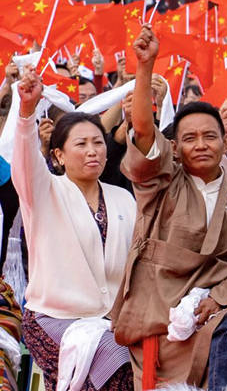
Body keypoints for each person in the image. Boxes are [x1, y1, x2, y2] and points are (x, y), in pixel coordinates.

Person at [110, 25, 227, 390]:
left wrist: (216, 299)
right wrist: (145, 67)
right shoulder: (162, 181)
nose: (201, 144)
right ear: (173, 147)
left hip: (215, 319)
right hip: (156, 320)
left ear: (225, 142)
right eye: (189, 138)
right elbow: (142, 129)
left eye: (210, 136)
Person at [14, 69, 136, 391]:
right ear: (58, 155)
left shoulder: (123, 198)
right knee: (116, 362)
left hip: (110, 321)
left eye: (98, 142)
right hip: (52, 318)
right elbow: (25, 160)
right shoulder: (44, 191)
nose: (92, 150)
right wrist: (26, 115)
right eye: (80, 144)